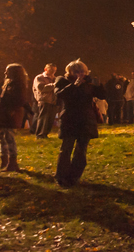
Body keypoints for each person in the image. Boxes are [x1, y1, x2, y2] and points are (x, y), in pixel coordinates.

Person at [54, 59, 105, 187]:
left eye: (82, 71)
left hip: (86, 120)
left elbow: (102, 95)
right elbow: (60, 95)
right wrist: (74, 85)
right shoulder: (63, 80)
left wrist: (98, 84)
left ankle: (74, 177)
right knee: (66, 148)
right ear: (70, 72)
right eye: (76, 71)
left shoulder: (88, 83)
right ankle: (61, 176)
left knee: (81, 150)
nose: (80, 74)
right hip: (70, 119)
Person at [0, 64, 30, 171]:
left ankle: (12, 162)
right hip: (3, 113)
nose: (5, 73)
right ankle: (4, 161)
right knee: (2, 137)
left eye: (7, 71)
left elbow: (20, 100)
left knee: (9, 137)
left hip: (9, 114)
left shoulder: (18, 84)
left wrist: (11, 110)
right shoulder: (8, 83)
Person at [32, 63, 58, 139]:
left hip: (53, 101)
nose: (53, 72)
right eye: (51, 70)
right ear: (45, 69)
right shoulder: (39, 78)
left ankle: (45, 134)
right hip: (44, 100)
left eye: (54, 70)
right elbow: (41, 88)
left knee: (50, 119)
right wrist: (55, 85)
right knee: (43, 118)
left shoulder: (54, 78)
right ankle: (40, 134)